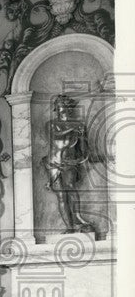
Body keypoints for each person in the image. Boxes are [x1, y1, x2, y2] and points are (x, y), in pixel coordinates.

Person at [44, 94, 95, 233]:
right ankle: (69, 227)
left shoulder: (79, 126)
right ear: (56, 108)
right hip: (54, 162)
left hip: (70, 162)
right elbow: (55, 135)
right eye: (60, 105)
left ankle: (78, 218)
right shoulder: (51, 124)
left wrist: (81, 158)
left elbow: (84, 149)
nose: (62, 108)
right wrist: (73, 128)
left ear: (69, 108)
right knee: (61, 195)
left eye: (65, 105)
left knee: (71, 188)